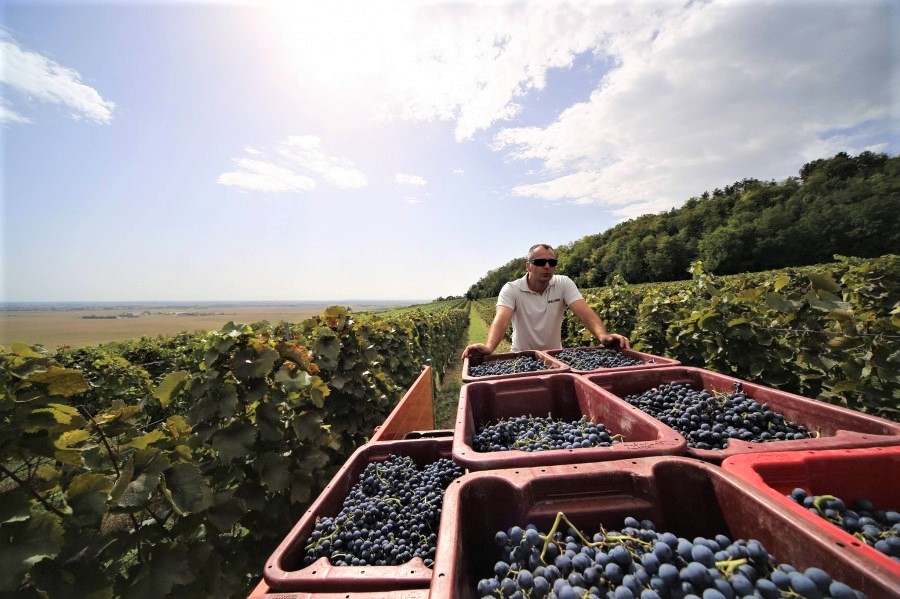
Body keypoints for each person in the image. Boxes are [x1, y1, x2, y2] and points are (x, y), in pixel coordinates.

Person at [461, 243, 631, 358]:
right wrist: (489, 347)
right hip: (522, 357)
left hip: (554, 356)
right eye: (540, 262)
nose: (547, 266)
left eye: (552, 262)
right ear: (528, 266)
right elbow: (502, 319)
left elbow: (584, 312)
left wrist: (603, 337)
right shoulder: (512, 289)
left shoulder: (563, 283)